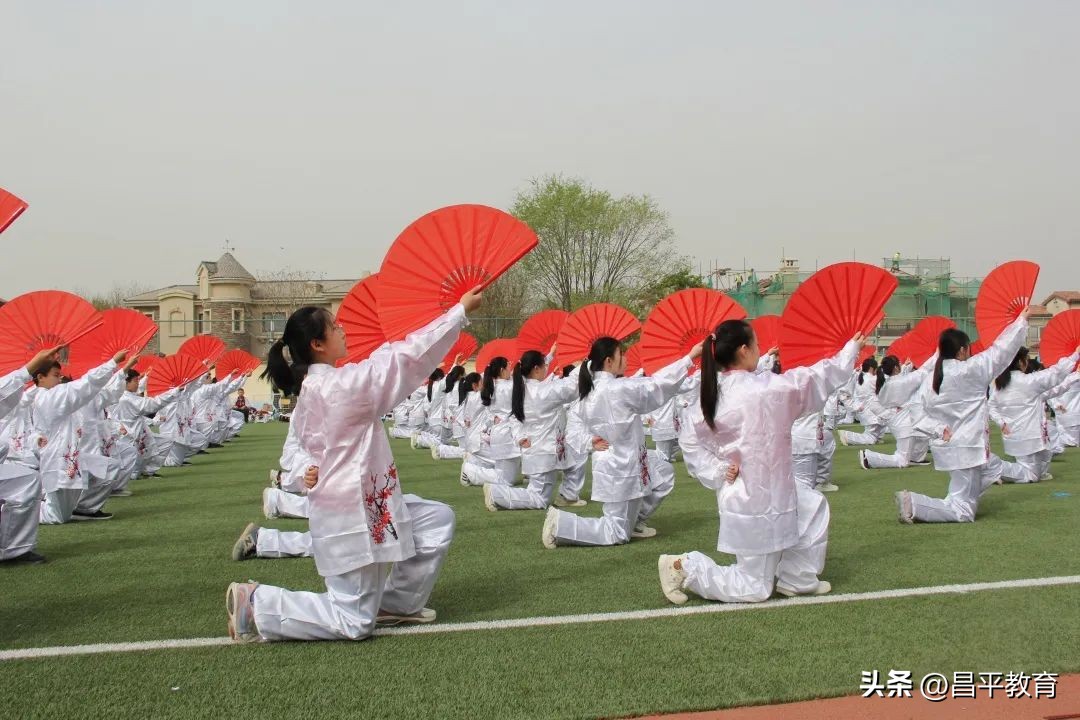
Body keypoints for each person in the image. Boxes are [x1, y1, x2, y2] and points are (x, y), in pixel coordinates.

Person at [225, 288, 482, 643]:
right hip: (351, 516)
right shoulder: (342, 387)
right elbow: (404, 360)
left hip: (365, 505)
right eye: (334, 327)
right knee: (353, 623)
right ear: (318, 344)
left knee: (436, 520)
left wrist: (303, 472)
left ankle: (396, 603)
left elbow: (294, 452)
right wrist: (457, 313)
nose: (342, 330)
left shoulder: (314, 390)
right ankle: (259, 604)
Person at [659, 321, 865, 604]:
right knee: (754, 587)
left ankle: (798, 578)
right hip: (752, 499)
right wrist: (850, 350)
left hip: (762, 489)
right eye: (755, 345)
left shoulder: (711, 392)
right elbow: (814, 378)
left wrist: (716, 469)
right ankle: (684, 567)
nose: (759, 350)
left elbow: (689, 441)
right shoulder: (766, 389)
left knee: (812, 505)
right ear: (744, 351)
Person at [541, 338, 697, 548]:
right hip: (622, 466)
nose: (626, 358)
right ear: (608, 361)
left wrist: (589, 442)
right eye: (621, 354)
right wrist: (690, 357)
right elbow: (656, 385)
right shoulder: (617, 388)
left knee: (664, 473)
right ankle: (561, 525)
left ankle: (635, 521)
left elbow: (573, 429)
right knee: (616, 533)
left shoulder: (589, 390)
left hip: (624, 460)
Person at [896, 311, 1030, 524]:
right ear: (961, 350)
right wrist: (1020, 322)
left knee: (992, 467)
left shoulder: (932, 377)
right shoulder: (971, 370)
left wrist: (938, 429)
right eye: (969, 348)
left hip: (949, 446)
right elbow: (1001, 352)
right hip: (967, 448)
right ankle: (914, 504)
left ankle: (1014, 477)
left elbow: (915, 409)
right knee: (963, 511)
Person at [484, 350, 578, 511]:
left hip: (534, 449)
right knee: (540, 499)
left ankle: (498, 492)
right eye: (544, 366)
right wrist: (586, 364)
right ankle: (497, 494)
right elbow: (571, 388)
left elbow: (514, 417)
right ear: (536, 369)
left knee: (542, 488)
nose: (546, 369)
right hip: (543, 451)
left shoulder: (522, 389)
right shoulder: (540, 390)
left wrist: (520, 437)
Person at [989, 346, 1080, 483]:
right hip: (1027, 438)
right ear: (1020, 363)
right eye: (1026, 359)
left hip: (1021, 437)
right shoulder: (1028, 381)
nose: (1028, 363)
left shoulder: (1001, 385)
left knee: (1046, 453)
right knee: (1031, 475)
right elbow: (1055, 373)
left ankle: (1000, 469)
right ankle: (993, 468)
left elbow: (1052, 391)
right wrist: (1076, 355)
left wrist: (1001, 422)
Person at [858, 355, 935, 470]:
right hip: (903, 425)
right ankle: (869, 457)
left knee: (923, 435)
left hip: (901, 422)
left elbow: (907, 376)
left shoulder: (887, 381)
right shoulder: (898, 382)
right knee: (902, 460)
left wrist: (889, 414)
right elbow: (922, 371)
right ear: (895, 368)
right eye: (899, 364)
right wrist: (938, 354)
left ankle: (916, 457)